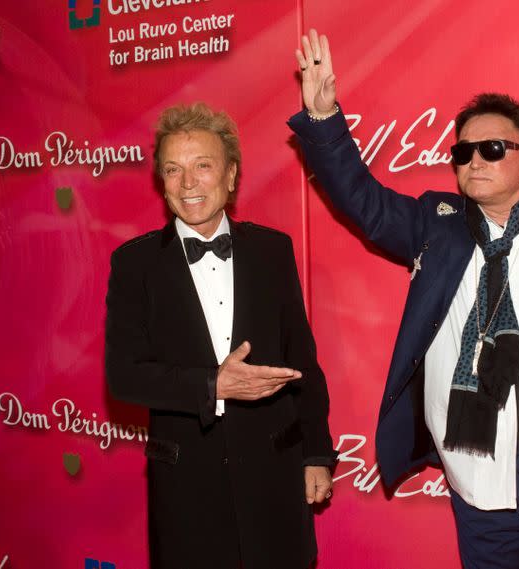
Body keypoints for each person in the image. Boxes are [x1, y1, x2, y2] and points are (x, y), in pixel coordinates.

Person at [289, 30, 519, 569]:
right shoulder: (434, 224)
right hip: (482, 488)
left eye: (493, 148)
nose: (475, 160)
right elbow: (362, 200)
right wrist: (324, 121)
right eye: (463, 151)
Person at [105, 102, 336, 569]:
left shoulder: (273, 251)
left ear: (231, 176)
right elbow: (124, 377)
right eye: (174, 170)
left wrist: (316, 453)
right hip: (187, 488)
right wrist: (212, 385)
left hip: (276, 476)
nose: (188, 183)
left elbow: (303, 363)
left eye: (202, 166)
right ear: (161, 182)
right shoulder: (135, 264)